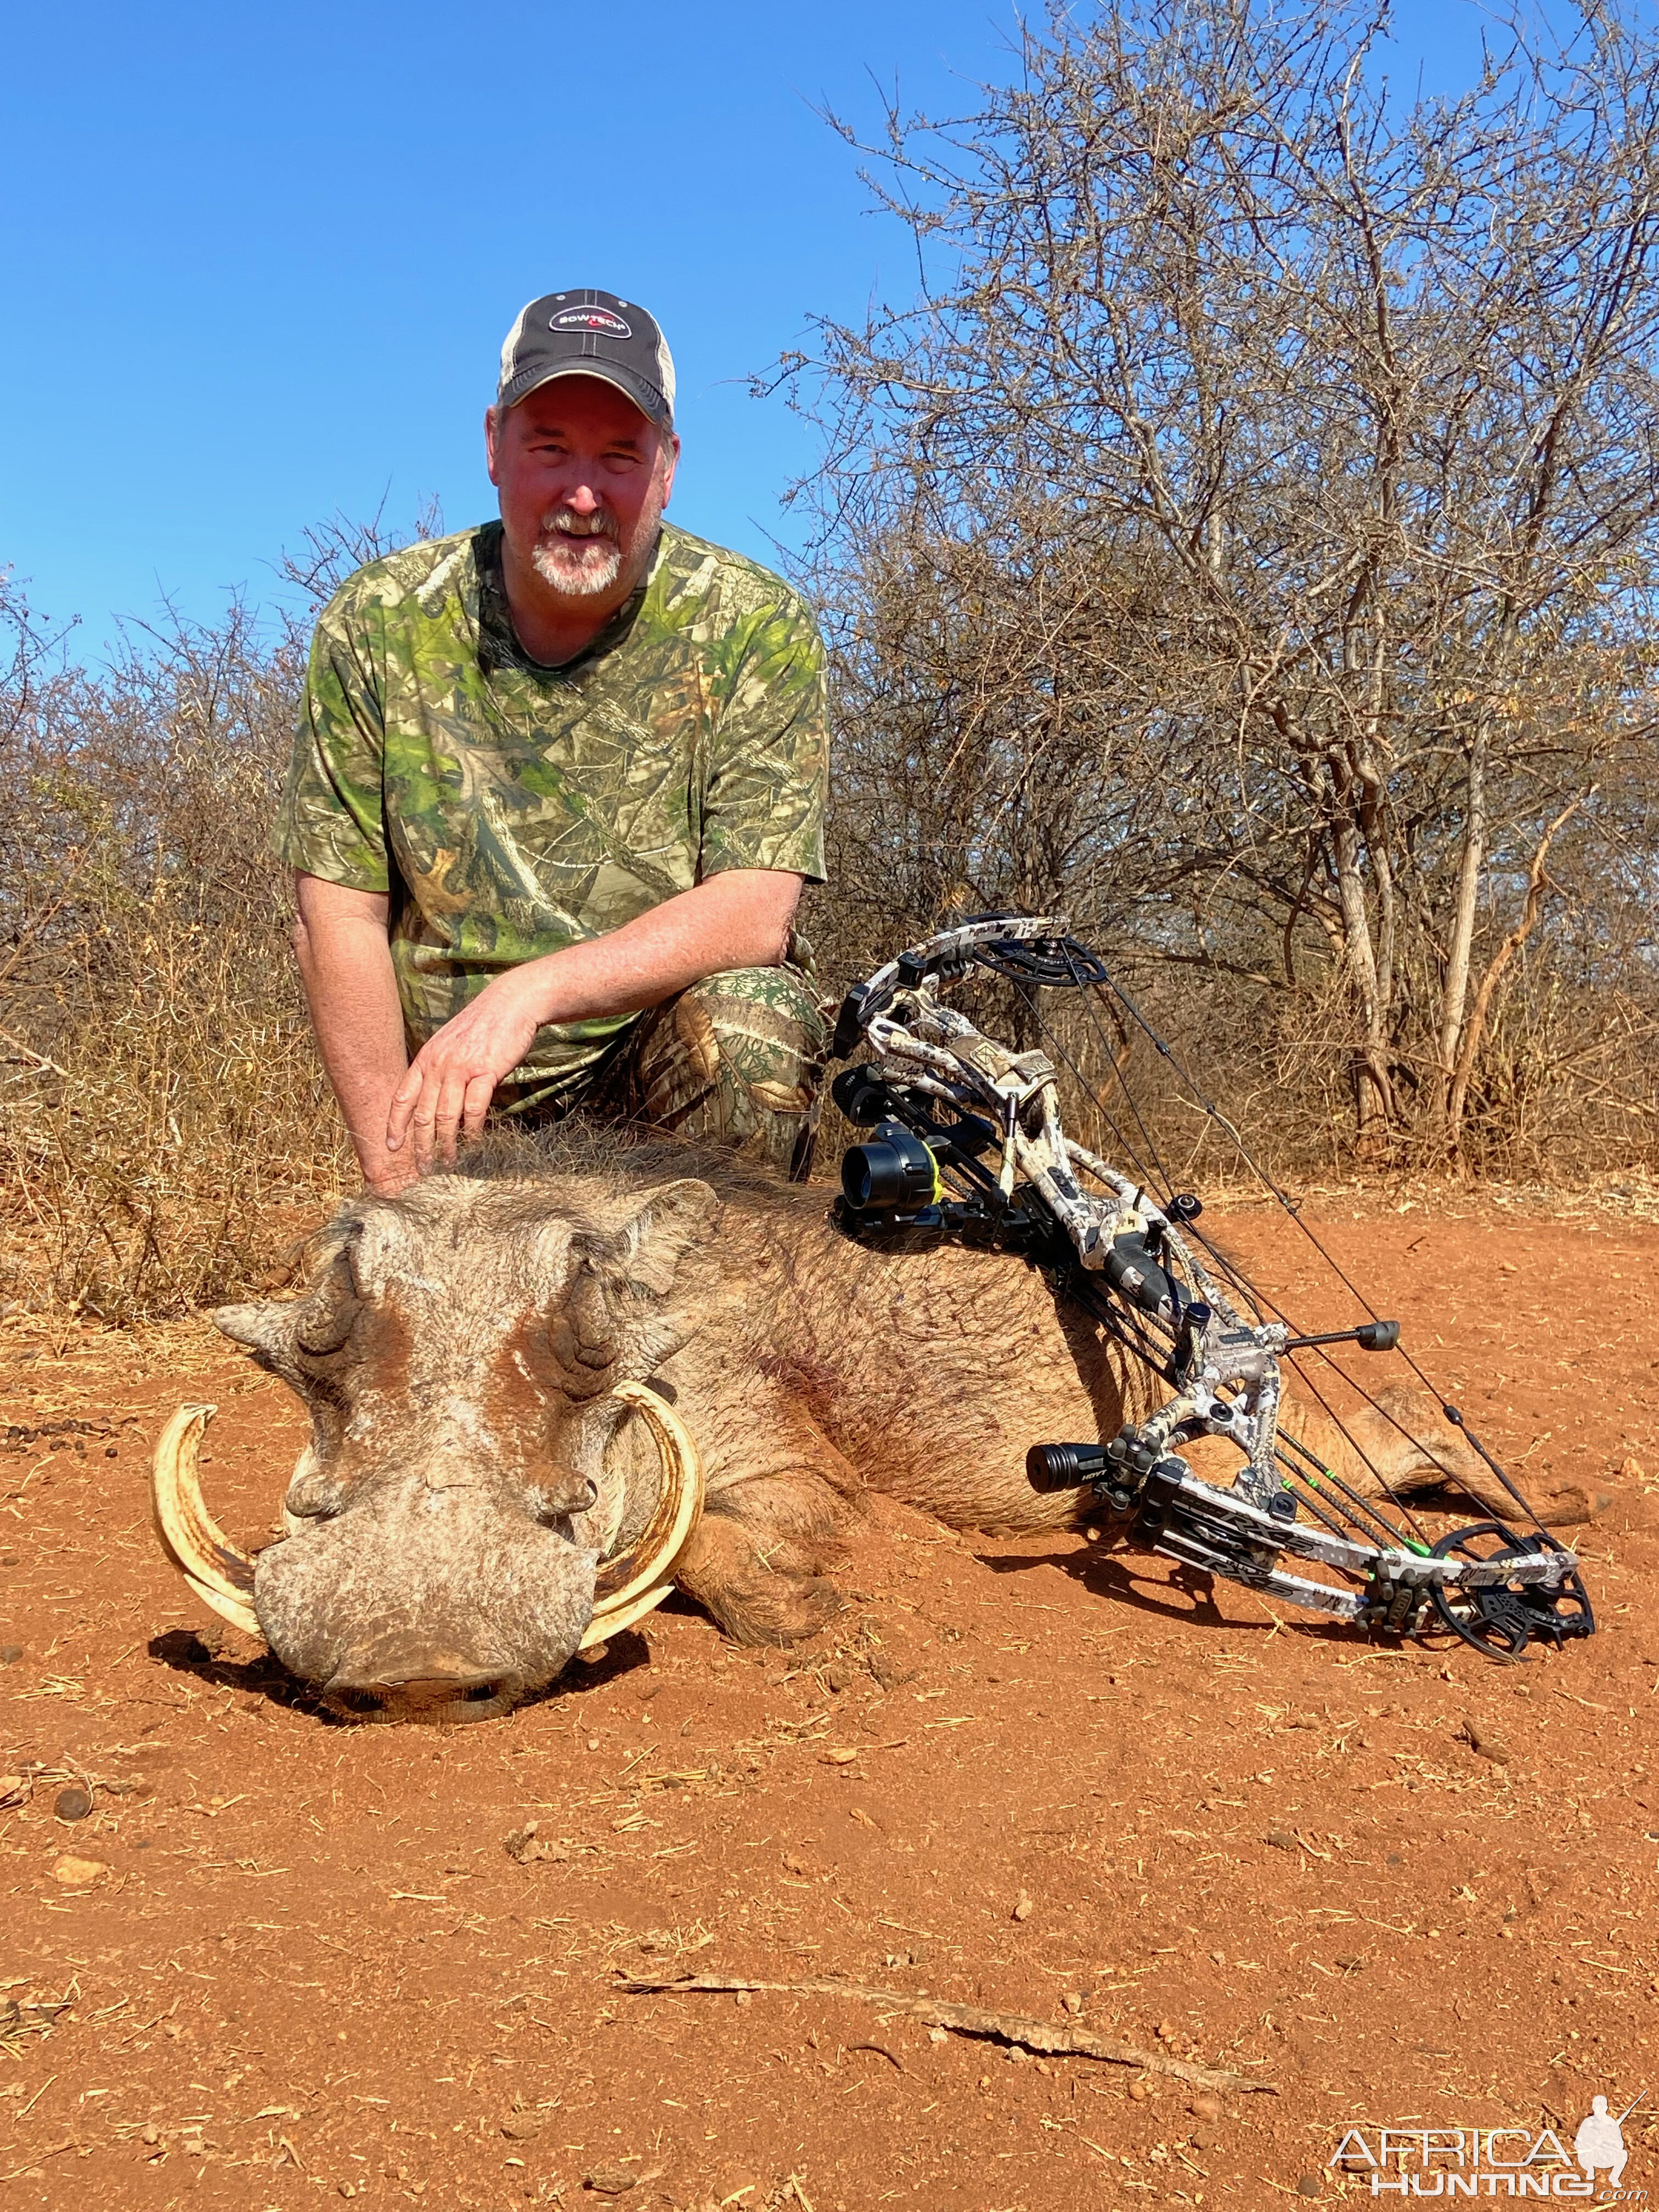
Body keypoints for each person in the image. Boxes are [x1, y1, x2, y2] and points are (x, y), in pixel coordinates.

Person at [277, 287, 828, 1194]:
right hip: (453, 1097)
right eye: (549, 450)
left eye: (619, 456)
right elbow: (338, 913)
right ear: (494, 447)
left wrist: (528, 994)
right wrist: (394, 1172)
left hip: (646, 1081)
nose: (582, 494)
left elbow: (754, 911)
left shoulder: (755, 623)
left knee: (751, 1024)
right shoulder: (375, 620)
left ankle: (700, 1308)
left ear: (668, 467)